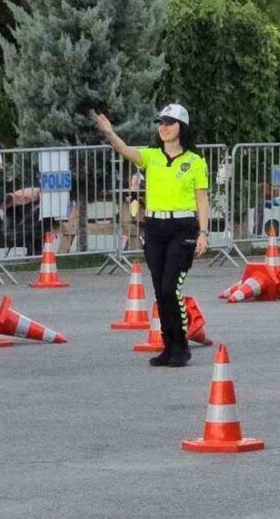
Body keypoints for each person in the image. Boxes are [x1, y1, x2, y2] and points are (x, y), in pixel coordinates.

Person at [96, 104, 209, 368]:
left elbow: (201, 198)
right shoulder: (152, 156)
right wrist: (110, 133)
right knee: (160, 291)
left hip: (182, 226)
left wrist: (203, 232)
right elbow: (125, 150)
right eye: (161, 122)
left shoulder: (195, 161)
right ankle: (168, 346)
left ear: (182, 128)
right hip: (155, 227)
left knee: (172, 287)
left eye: (169, 123)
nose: (164, 127)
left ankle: (181, 346)